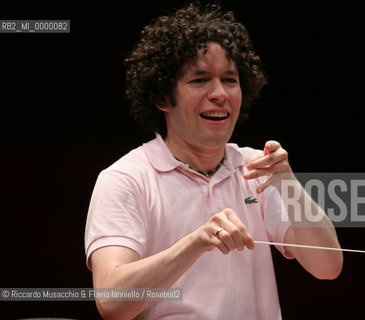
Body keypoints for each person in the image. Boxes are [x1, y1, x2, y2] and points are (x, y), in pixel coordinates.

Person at [84, 3, 342, 319]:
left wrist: (289, 184)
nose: (220, 93)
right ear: (163, 97)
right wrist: (196, 242)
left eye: (230, 80)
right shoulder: (126, 178)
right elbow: (111, 302)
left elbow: (328, 266)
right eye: (200, 80)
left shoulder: (257, 169)